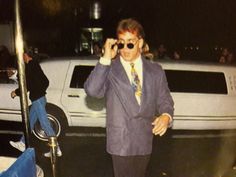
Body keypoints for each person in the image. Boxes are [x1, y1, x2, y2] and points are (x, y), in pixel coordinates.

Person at [84, 18, 174, 177]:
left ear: (140, 43)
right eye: (121, 43)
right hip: (120, 140)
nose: (125, 49)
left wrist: (166, 116)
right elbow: (92, 90)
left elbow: (165, 99)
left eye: (130, 43)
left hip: (144, 139)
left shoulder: (155, 70)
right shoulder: (110, 68)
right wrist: (105, 58)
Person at [9, 49, 62, 157]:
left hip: (37, 99)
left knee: (44, 124)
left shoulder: (29, 67)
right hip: (40, 98)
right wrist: (40, 90)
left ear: (26, 55)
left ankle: (56, 149)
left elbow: (26, 85)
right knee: (30, 121)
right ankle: (22, 142)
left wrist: (16, 92)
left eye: (22, 55)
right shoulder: (35, 65)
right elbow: (45, 81)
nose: (21, 58)